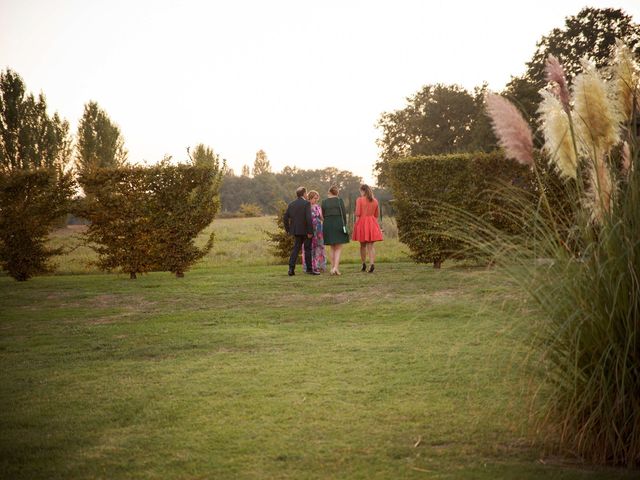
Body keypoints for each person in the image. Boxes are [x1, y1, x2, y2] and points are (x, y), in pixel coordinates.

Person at [283, 187, 318, 276]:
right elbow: (308, 218)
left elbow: (285, 217)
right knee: (308, 249)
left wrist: (288, 230)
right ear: (303, 194)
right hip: (306, 231)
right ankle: (309, 269)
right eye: (306, 193)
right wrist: (310, 231)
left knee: (296, 249)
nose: (306, 195)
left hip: (296, 231)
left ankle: (291, 269)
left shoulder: (291, 204)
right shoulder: (306, 203)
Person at [352, 184, 384, 273]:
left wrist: (356, 225)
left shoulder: (359, 200)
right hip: (372, 223)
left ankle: (363, 264)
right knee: (371, 246)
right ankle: (372, 264)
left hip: (362, 222)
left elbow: (358, 213)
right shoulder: (375, 201)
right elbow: (376, 215)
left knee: (362, 245)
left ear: (362, 191)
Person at [321, 185, 349, 275]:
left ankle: (333, 268)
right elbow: (344, 214)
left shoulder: (324, 202)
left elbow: (323, 215)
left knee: (332, 247)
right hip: (338, 224)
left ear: (329, 192)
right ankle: (336, 268)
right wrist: (344, 225)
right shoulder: (340, 201)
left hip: (327, 224)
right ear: (337, 193)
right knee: (338, 248)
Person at [302, 190, 326, 274]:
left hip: (318, 229)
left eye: (317, 198)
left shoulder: (318, 207)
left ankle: (319, 266)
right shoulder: (306, 207)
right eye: (314, 198)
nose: (316, 200)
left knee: (319, 247)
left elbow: (322, 218)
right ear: (310, 198)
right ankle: (308, 266)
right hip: (309, 229)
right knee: (309, 248)